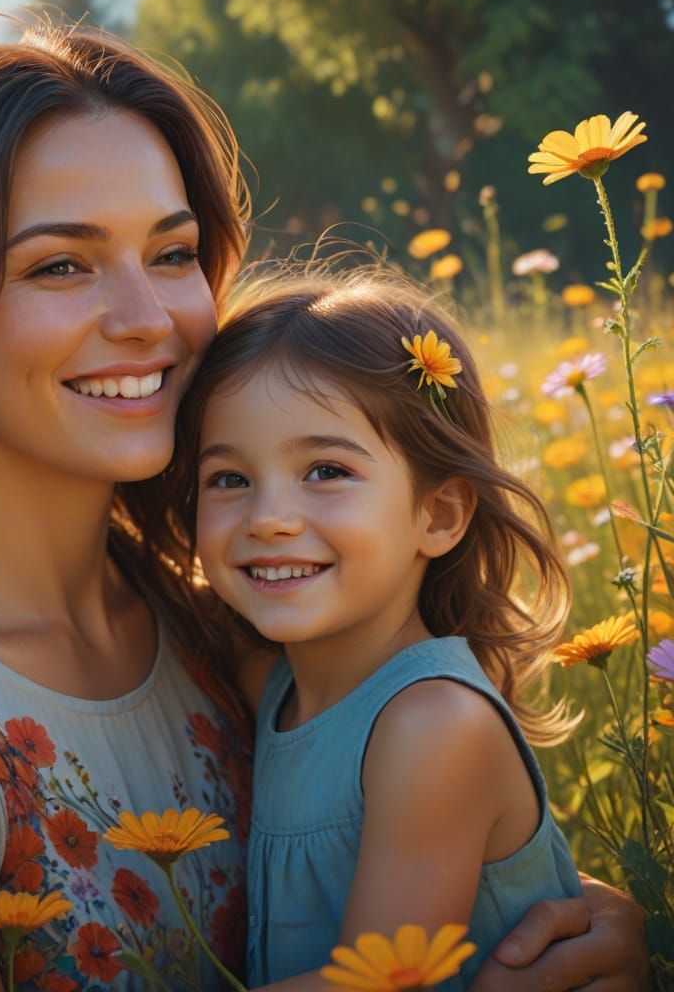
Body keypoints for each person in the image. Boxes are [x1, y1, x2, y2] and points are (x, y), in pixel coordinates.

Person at [0, 18, 647, 991]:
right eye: (61, 265)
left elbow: (403, 848)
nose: (149, 318)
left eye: (171, 253)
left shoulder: (223, 627)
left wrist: (579, 921)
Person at [166, 266, 600, 987]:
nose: (268, 517)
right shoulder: (275, 683)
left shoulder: (433, 724)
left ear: (439, 515)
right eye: (230, 480)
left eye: (327, 471)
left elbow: (378, 984)